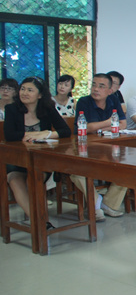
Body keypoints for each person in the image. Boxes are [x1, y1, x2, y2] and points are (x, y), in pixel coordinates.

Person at [4, 77, 71, 224]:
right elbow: (9, 135)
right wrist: (33, 134)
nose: (24, 93)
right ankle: (40, 222)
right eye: (22, 89)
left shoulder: (48, 109)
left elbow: (65, 131)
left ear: (40, 95)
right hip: (17, 159)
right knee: (15, 179)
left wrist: (46, 134)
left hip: (40, 160)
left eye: (30, 90)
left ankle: (39, 221)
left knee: (33, 179)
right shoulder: (12, 109)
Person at [72, 73, 128, 220]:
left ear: (110, 90)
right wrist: (109, 122)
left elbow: (123, 124)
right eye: (94, 85)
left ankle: (109, 204)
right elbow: (85, 127)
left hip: (109, 148)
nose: (96, 89)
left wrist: (98, 127)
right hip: (86, 149)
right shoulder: (84, 102)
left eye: (101, 86)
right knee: (76, 172)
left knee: (128, 169)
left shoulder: (113, 100)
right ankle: (96, 203)